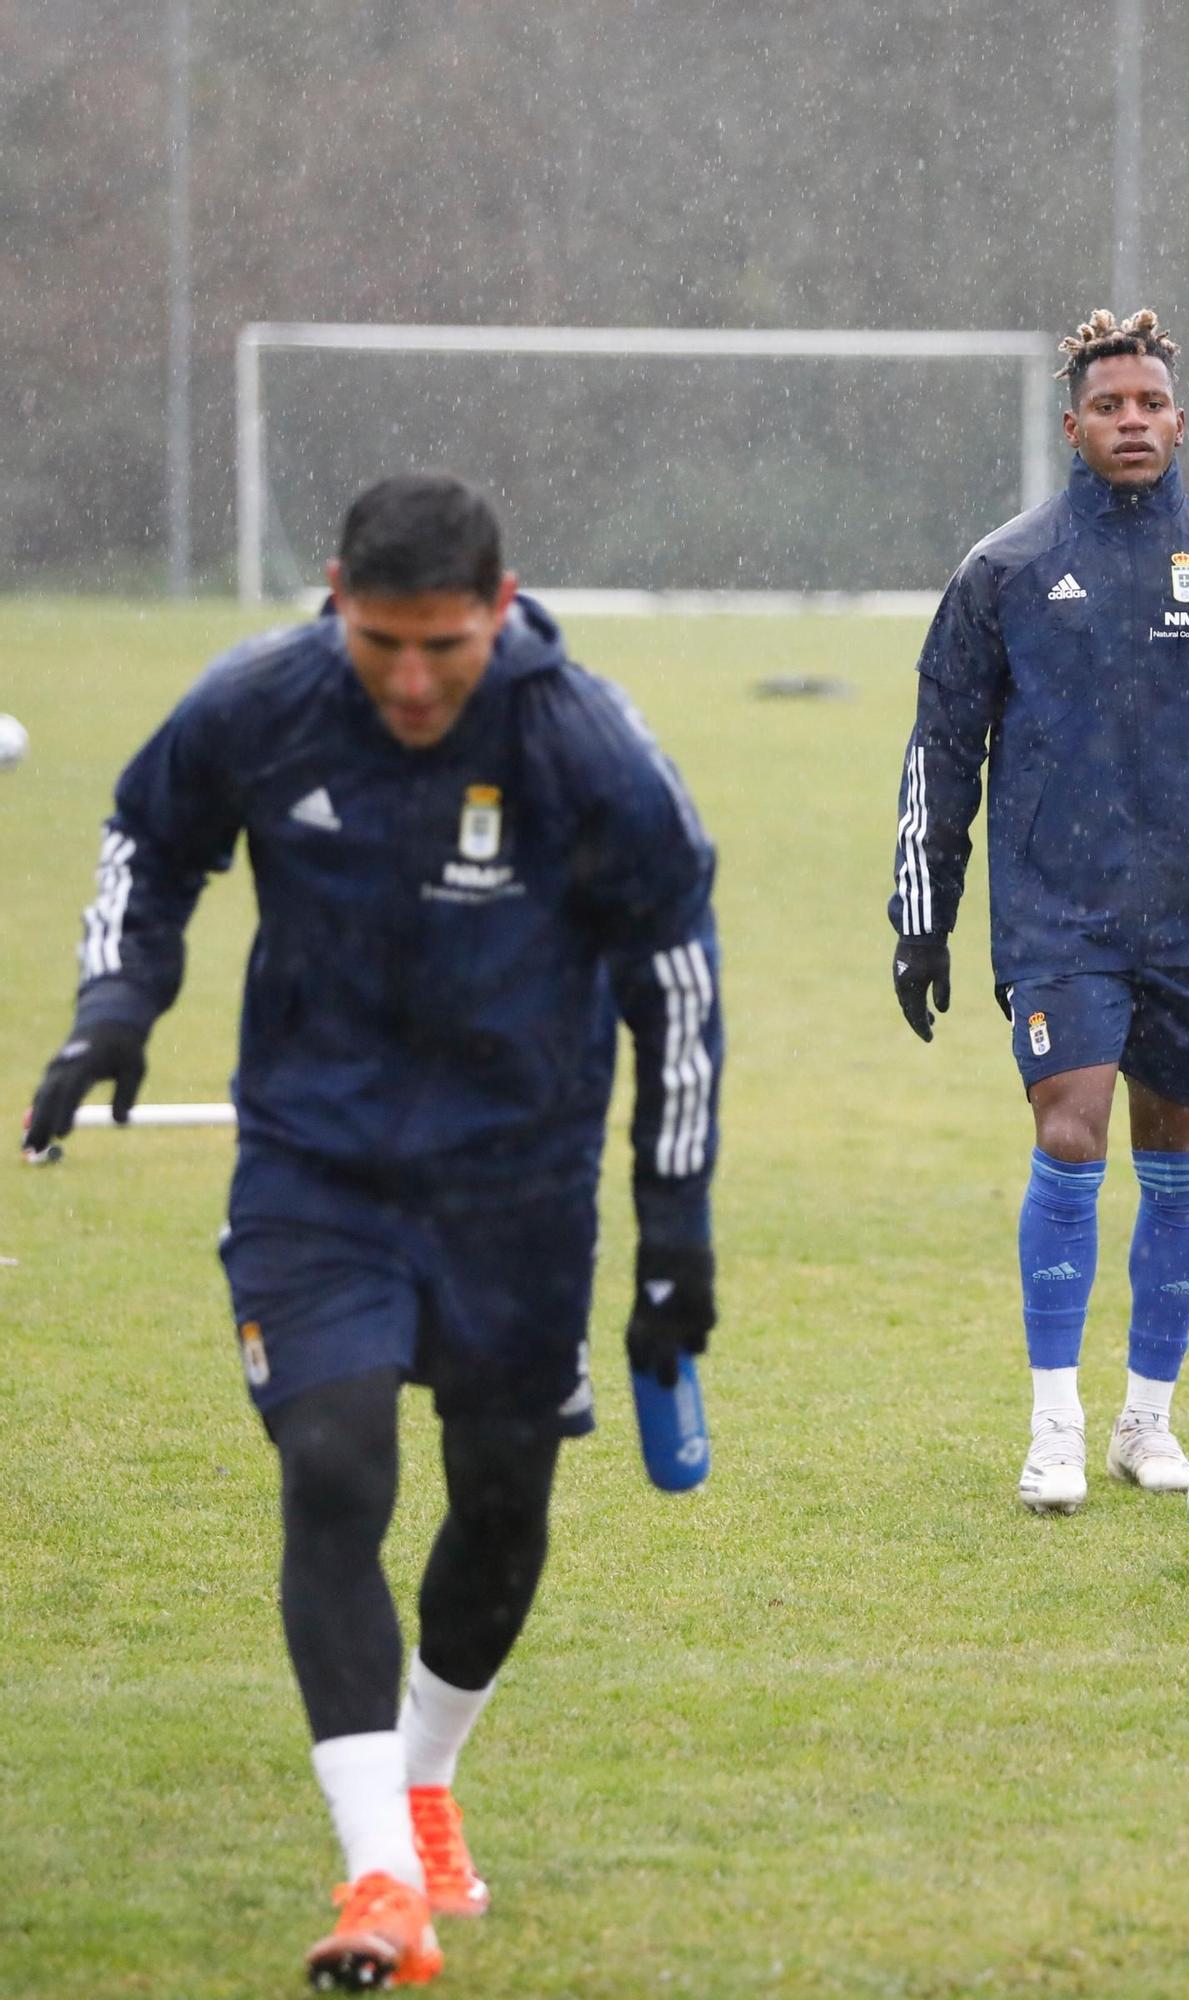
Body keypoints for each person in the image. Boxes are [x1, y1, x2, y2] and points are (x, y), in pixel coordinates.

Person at [23, 474, 723, 1992]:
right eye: (379, 643)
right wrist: (117, 1005)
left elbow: (676, 977)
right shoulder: (266, 702)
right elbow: (150, 841)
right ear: (334, 596)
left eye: (443, 649)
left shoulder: (577, 740)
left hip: (517, 1183)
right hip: (315, 1164)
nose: (409, 682)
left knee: (499, 1508)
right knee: (333, 1465)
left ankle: (425, 1776)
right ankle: (380, 1881)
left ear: (499, 605)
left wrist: (675, 1236)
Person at [888, 308, 1189, 1517]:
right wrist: (922, 908)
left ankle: (1143, 1423)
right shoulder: (1002, 568)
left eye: (1147, 405)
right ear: (1070, 425)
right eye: (1106, 406)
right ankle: (1052, 1424)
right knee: (1069, 1131)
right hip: (1057, 911)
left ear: (1178, 421)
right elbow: (941, 747)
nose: (1128, 421)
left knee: (1176, 1161)